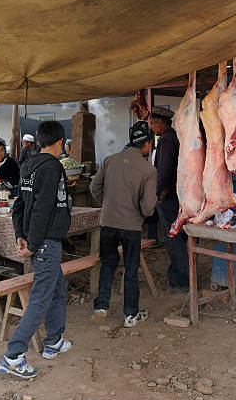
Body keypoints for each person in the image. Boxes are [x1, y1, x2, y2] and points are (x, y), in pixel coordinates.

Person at [0, 121, 72, 379]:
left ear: (39, 141)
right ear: (60, 141)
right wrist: (34, 244)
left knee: (58, 289)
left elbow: (19, 206)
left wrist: (21, 236)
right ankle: (13, 356)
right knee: (40, 298)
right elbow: (41, 209)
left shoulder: (28, 165)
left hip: (41, 241)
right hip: (46, 243)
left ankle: (54, 340)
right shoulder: (52, 167)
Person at [90, 121, 157, 327]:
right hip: (131, 226)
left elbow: (94, 186)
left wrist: (108, 204)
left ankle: (101, 306)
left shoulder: (110, 160)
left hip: (108, 222)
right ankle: (130, 315)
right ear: (147, 144)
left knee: (108, 263)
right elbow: (148, 208)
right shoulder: (148, 170)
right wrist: (139, 212)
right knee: (130, 267)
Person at [149, 106, 189, 293]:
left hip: (168, 196)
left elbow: (163, 172)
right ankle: (185, 274)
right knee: (180, 234)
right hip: (179, 194)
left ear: (161, 123)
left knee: (173, 237)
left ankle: (180, 280)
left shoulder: (165, 141)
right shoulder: (175, 137)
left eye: (152, 123)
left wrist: (156, 193)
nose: (151, 127)